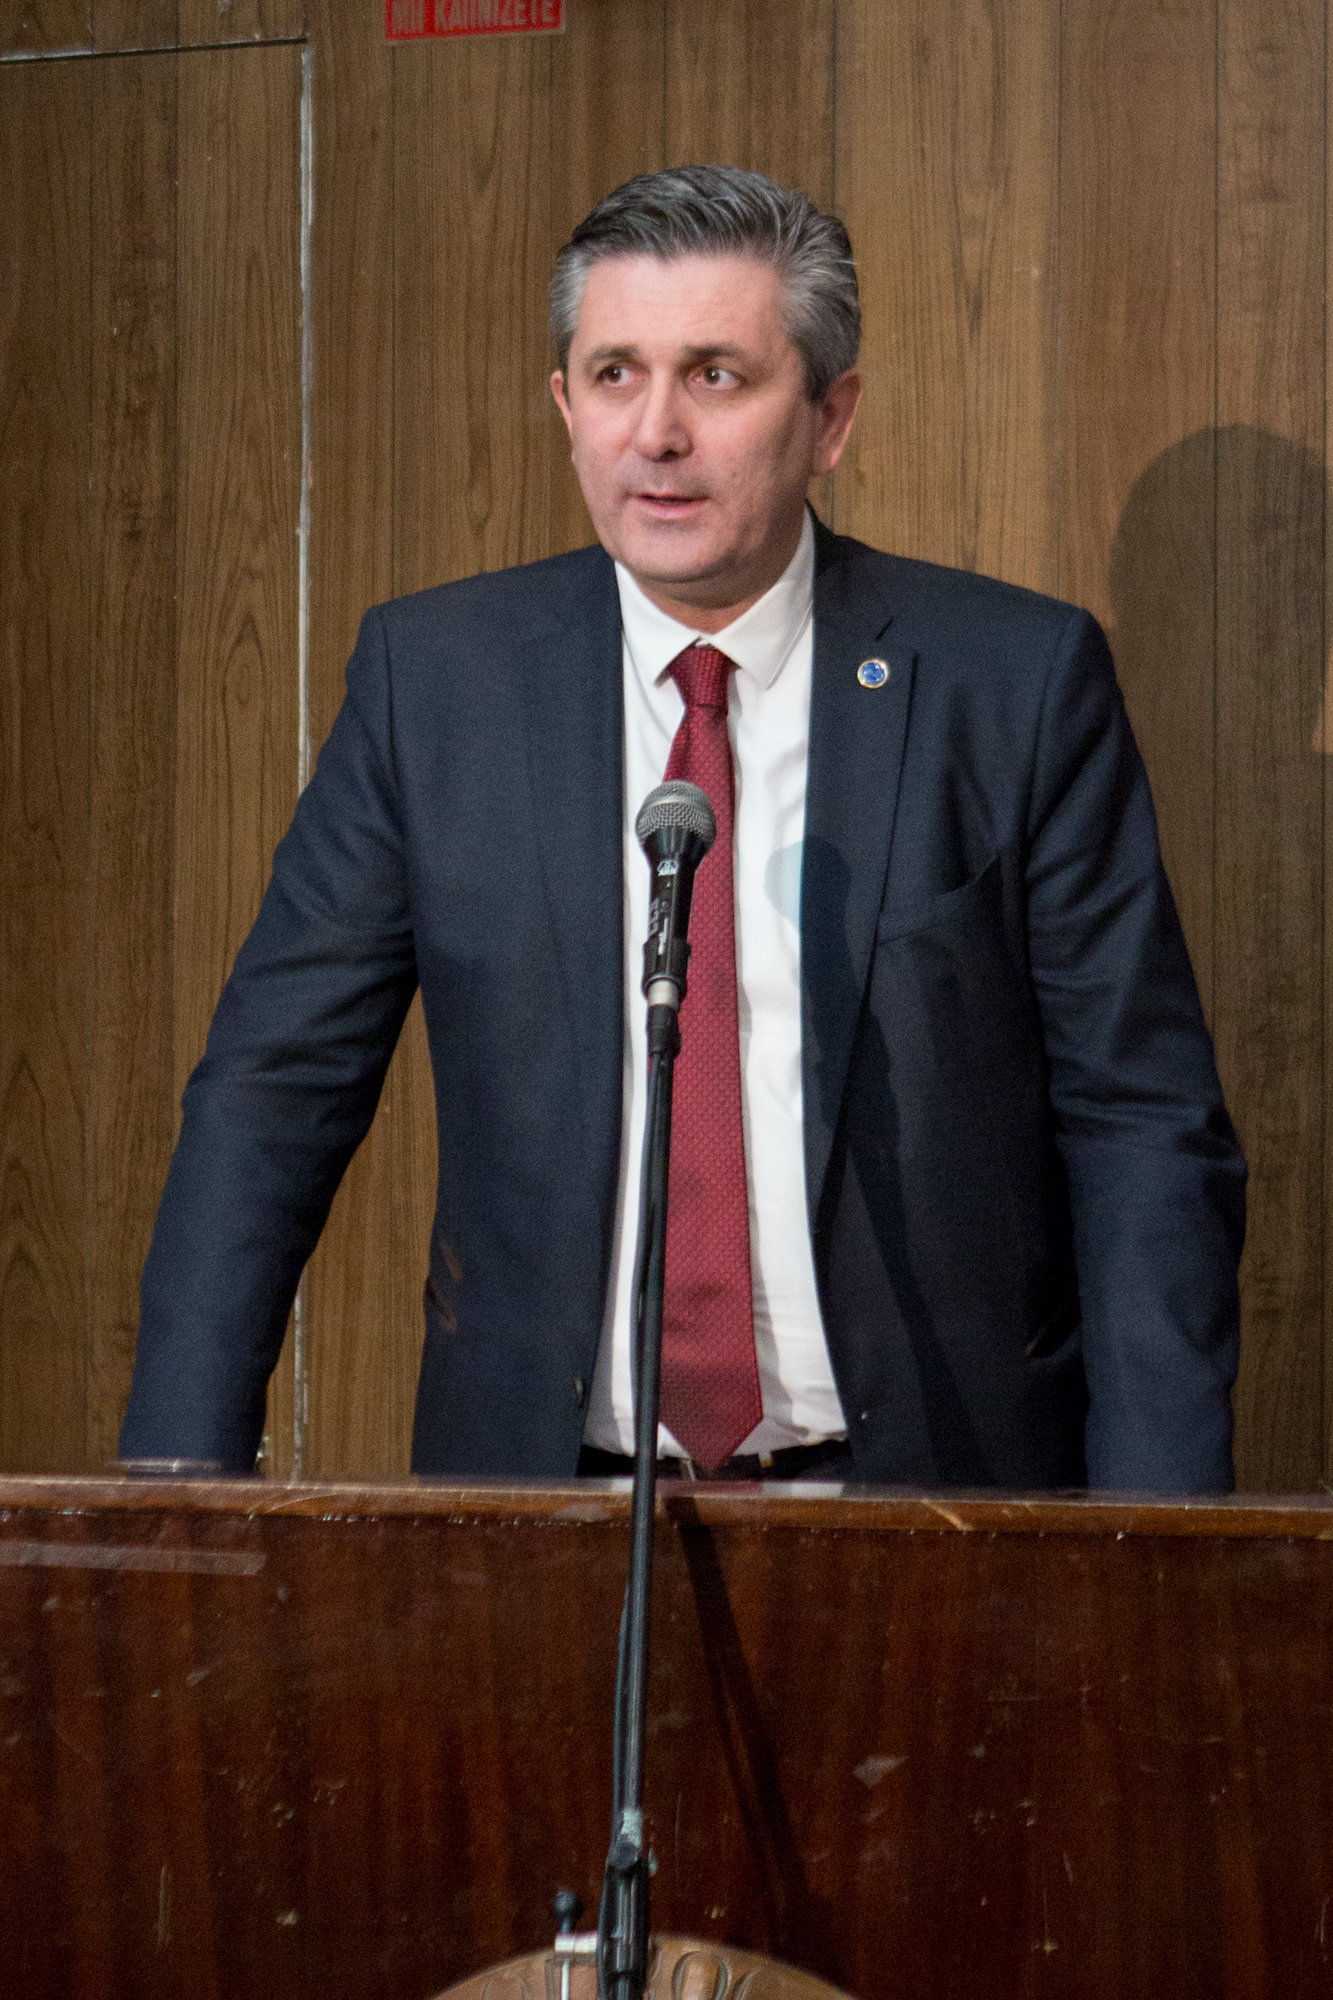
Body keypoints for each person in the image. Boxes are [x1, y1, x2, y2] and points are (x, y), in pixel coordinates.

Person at [119, 167, 1245, 1491]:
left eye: (715, 376)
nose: (655, 434)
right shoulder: (440, 682)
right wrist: (177, 1483)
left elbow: (1138, 1120)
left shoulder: (1011, 681)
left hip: (930, 1495)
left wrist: (1155, 1533)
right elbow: (276, 1090)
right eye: (615, 375)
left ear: (829, 417)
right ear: (565, 406)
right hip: (546, 1495)